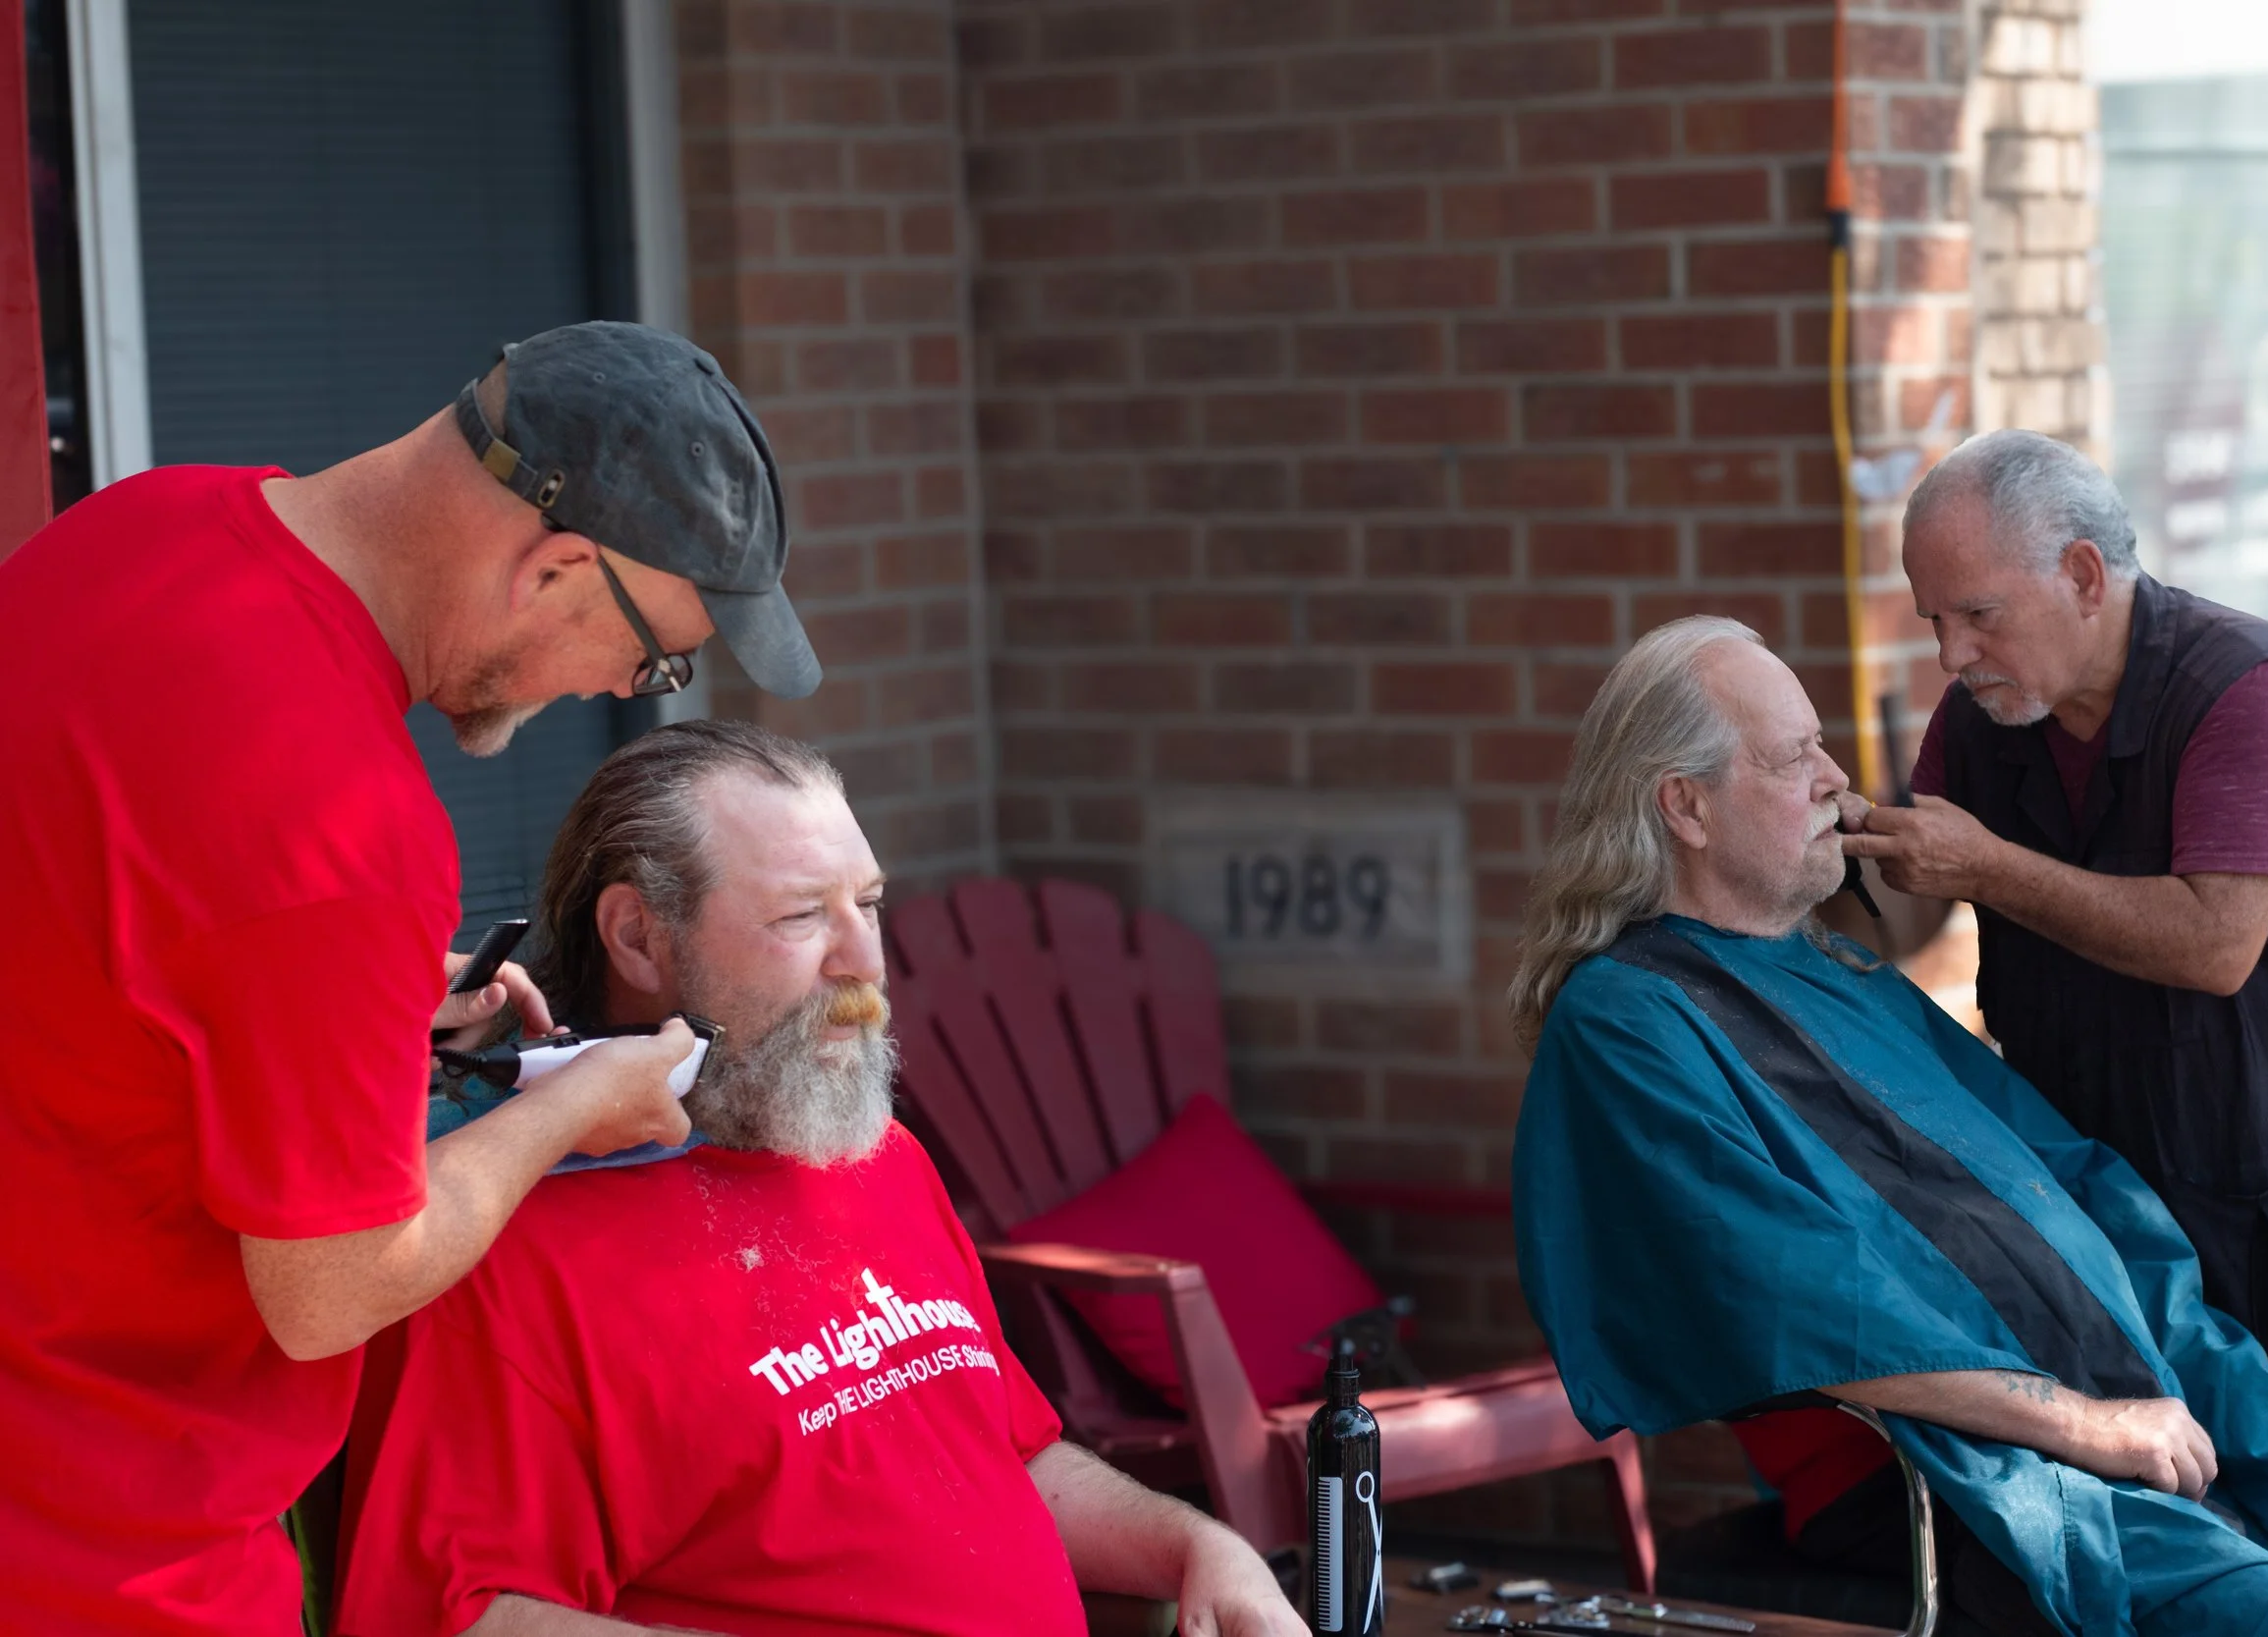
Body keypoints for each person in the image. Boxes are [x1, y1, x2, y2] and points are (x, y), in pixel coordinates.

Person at [0, 322, 827, 1633]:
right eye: (652, 653)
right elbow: (328, 1290)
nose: (628, 686)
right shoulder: (347, 828)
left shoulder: (136, 529)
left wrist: (346, 993)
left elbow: (93, 904)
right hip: (103, 1546)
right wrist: (571, 1105)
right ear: (554, 566)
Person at [1510, 617, 2268, 1637]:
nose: (1835, 777)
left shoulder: (1839, 969)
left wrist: (2196, 1369)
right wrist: (2085, 1421)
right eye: (1793, 756)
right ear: (1684, 806)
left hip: (2113, 1383)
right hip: (1944, 1461)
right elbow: (1799, 1303)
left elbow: (2073, 1182)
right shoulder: (1625, 1020)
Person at [336, 720, 1305, 1637]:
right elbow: (458, 1615)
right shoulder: (507, 1248)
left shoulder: (871, 1152)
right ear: (637, 937)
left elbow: (1006, 1458)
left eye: (869, 903)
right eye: (803, 915)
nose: (866, 964)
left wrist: (1197, 1545)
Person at [1846, 429, 2268, 1412]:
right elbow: (1918, 916)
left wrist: (1990, 866)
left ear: (2084, 574)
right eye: (1932, 621)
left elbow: (2214, 943)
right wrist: (1840, 842)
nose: (1952, 654)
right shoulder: (1983, 714)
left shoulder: (2248, 685)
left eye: (1977, 614)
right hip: (2134, 1216)